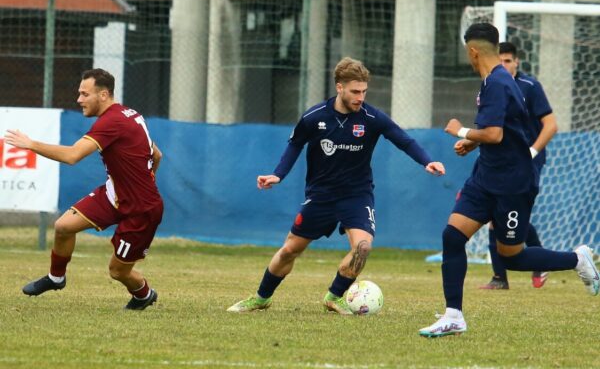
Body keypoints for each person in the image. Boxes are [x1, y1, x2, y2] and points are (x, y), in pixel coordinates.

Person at [419, 23, 599, 338]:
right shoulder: (495, 81)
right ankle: (453, 316)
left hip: (513, 182)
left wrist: (460, 131)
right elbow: (499, 129)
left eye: (468, 54)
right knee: (452, 237)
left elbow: (495, 133)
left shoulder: (498, 83)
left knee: (511, 257)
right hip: (486, 176)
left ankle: (577, 259)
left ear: (473, 51)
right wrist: (473, 143)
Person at [227, 57, 446, 314]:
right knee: (289, 250)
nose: (360, 97)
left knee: (362, 247)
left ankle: (334, 296)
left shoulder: (372, 118)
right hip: (321, 195)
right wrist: (278, 175)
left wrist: (426, 161)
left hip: (357, 194)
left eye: (364, 91)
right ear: (339, 88)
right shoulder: (314, 117)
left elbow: (404, 140)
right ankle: (261, 297)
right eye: (355, 91)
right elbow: (295, 144)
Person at [4, 68, 163, 310]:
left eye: (84, 94)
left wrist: (31, 144)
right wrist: (141, 180)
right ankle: (56, 278)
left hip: (141, 209)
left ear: (103, 95)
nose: (79, 100)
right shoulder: (129, 114)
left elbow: (72, 156)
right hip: (115, 194)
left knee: (118, 271)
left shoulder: (111, 121)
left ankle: (144, 294)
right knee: (63, 226)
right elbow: (156, 154)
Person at [480, 41, 558, 290]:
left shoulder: (530, 86)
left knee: (502, 213)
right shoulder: (491, 85)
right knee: (497, 213)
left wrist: (532, 152)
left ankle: (505, 275)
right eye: (499, 60)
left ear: (516, 62)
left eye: (507, 61)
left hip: (526, 162)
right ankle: (503, 276)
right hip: (501, 161)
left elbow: (551, 125)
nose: (502, 65)